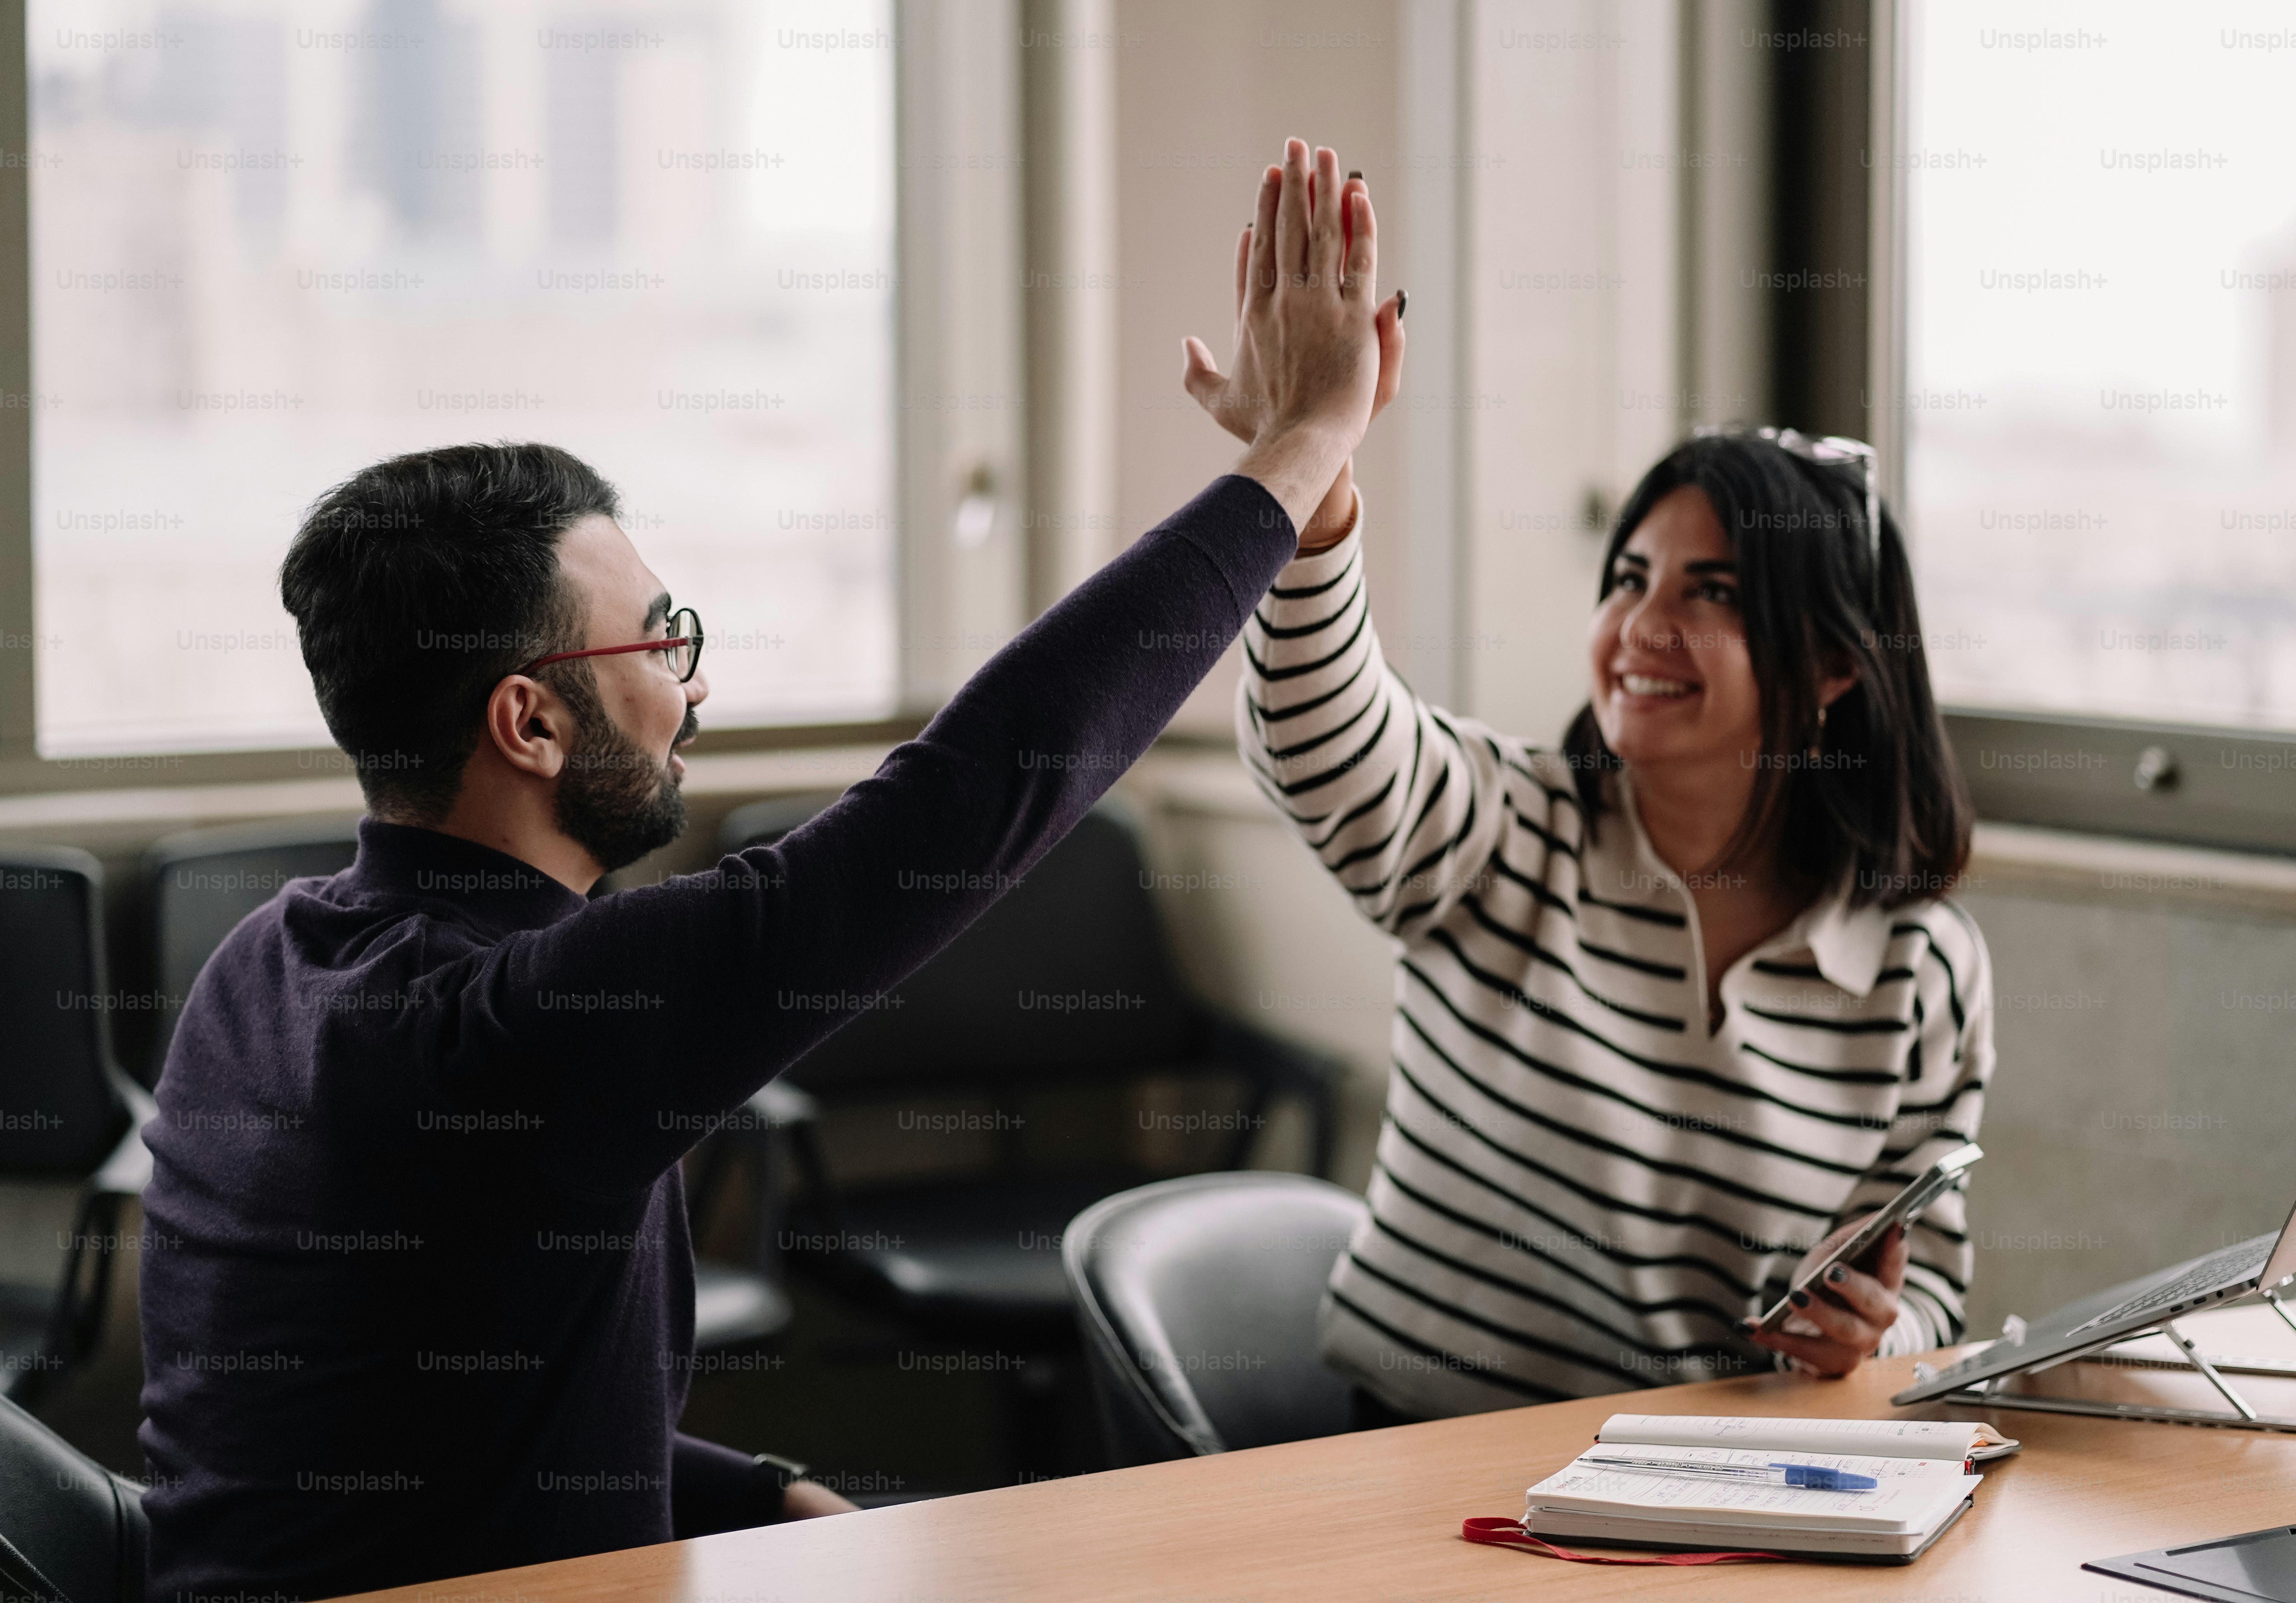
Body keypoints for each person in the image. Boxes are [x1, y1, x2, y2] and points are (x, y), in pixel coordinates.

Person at [138, 138, 1404, 1598]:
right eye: (659, 641)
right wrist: (1300, 445)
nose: (688, 690)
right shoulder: (520, 1024)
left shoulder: (272, 963)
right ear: (529, 721)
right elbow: (972, 796)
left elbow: (406, 1428)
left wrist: (762, 1492)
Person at [1208, 341, 1994, 1416]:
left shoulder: (1923, 969)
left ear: (1831, 665)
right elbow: (1320, 740)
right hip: (1425, 1467)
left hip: (1707, 1492)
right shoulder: (1506, 825)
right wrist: (1315, 478)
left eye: (1711, 592)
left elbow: (1933, 1286)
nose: (1641, 628)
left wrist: (1865, 1337)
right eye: (1630, 579)